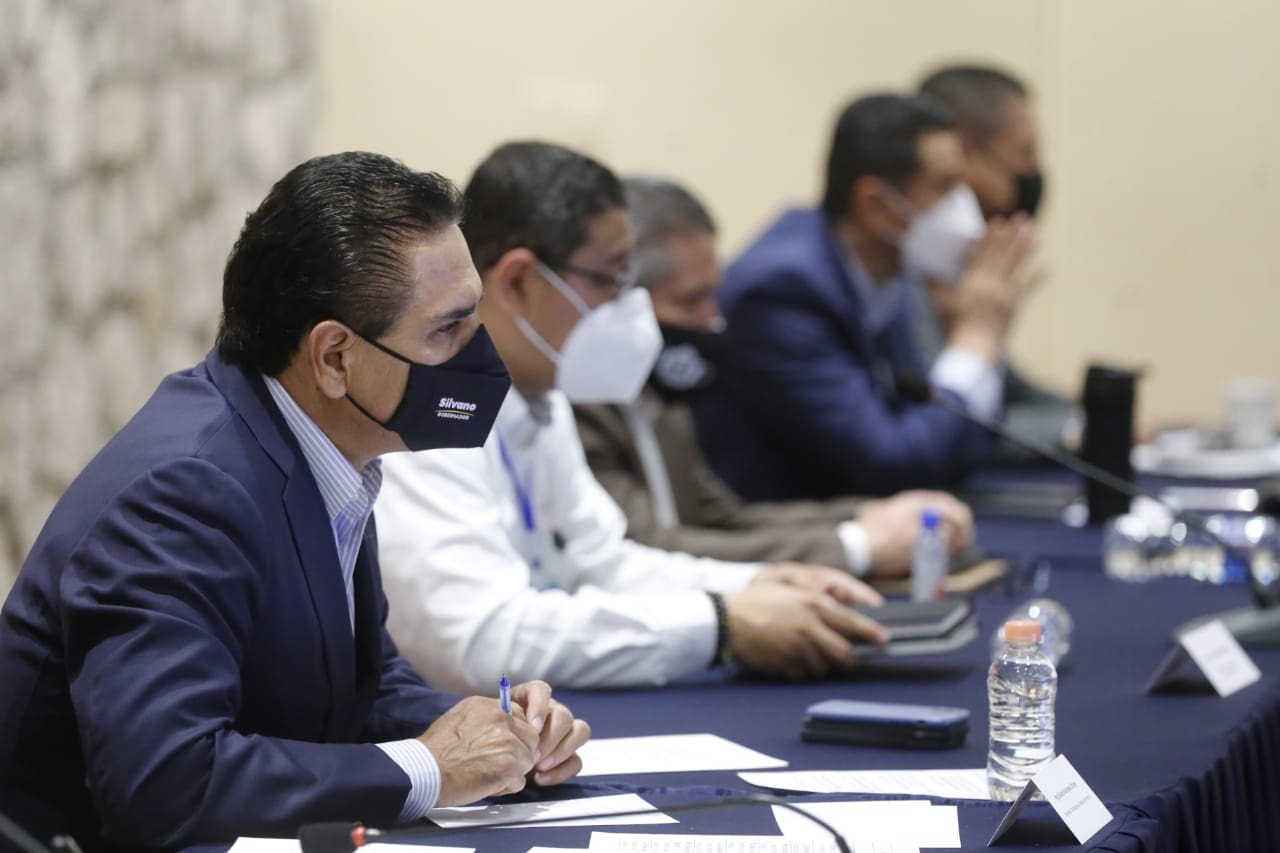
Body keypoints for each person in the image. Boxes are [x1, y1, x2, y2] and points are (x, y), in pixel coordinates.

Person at [0, 152, 590, 852]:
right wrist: (431, 768)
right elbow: (166, 783)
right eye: (447, 329)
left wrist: (498, 731)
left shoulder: (321, 444)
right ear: (335, 357)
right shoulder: (186, 490)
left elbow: (355, 685)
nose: (479, 351)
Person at [376, 141, 890, 695]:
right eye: (611, 279)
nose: (631, 305)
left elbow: (605, 564)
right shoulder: (426, 417)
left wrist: (756, 586)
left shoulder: (540, 400)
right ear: (518, 281)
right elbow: (481, 643)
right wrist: (720, 623)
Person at [572, 176, 975, 576]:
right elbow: (645, 548)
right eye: (691, 300)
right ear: (620, 301)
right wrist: (859, 546)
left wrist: (869, 514)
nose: (713, 319)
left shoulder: (657, 398)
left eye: (714, 294)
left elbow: (722, 518)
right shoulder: (581, 405)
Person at [694, 94, 1036, 501]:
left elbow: (953, 446)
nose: (965, 206)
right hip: (791, 529)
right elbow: (890, 466)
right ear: (875, 205)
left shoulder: (894, 272)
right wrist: (974, 345)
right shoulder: (782, 292)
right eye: (944, 186)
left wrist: (975, 350)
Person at [916, 64, 1079, 454]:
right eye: (1025, 152)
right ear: (963, 151)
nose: (1032, 171)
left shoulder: (963, 261)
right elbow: (936, 424)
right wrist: (1071, 431)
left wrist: (1094, 419)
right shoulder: (906, 259)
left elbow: (1006, 390)